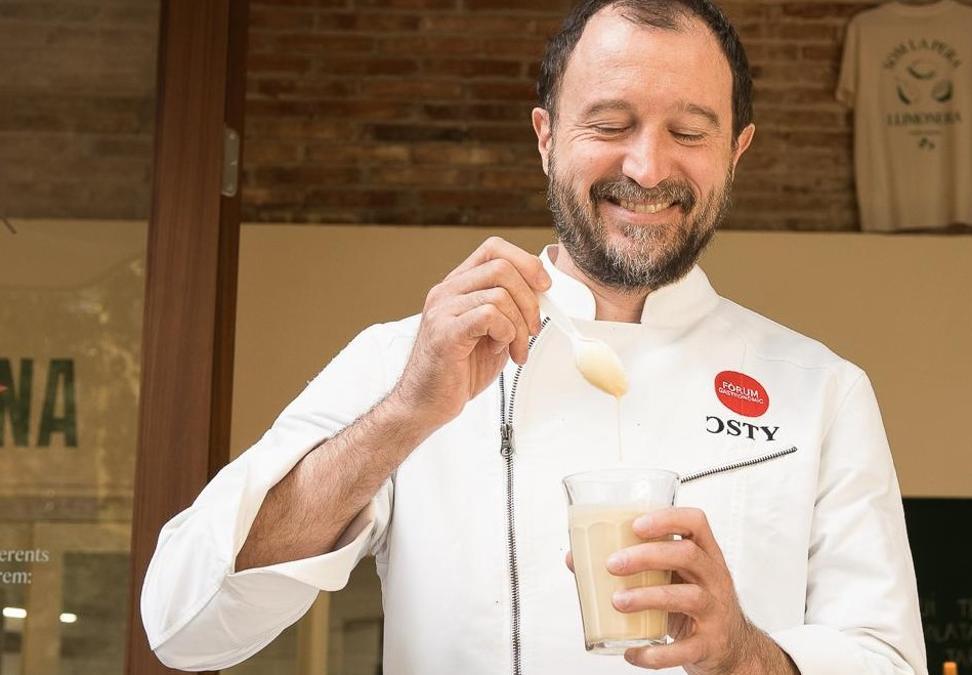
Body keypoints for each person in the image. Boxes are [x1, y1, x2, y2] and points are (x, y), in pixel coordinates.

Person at [140, 1, 927, 673]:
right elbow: (184, 621)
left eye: (689, 130)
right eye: (610, 123)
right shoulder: (405, 361)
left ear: (736, 151)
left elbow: (888, 657)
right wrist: (406, 414)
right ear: (546, 137)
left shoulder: (819, 390)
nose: (647, 166)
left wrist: (747, 653)